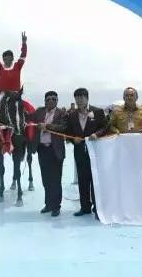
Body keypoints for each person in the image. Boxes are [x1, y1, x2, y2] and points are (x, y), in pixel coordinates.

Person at [65, 88, 107, 218]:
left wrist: (97, 134)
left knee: (95, 180)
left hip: (95, 151)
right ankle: (85, 207)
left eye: (82, 97)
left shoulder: (98, 112)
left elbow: (105, 127)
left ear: (87, 98)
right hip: (79, 152)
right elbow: (68, 132)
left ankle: (98, 208)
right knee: (82, 180)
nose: (79, 100)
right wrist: (73, 139)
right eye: (77, 98)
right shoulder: (71, 115)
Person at [31, 91, 67, 217]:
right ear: (45, 101)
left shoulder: (62, 113)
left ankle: (56, 206)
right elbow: (26, 118)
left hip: (55, 150)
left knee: (56, 180)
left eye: (54, 99)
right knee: (46, 179)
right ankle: (48, 204)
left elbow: (63, 128)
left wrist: (47, 126)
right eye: (48, 99)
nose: (51, 101)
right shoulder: (39, 112)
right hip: (42, 150)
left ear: (57, 101)